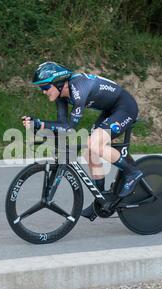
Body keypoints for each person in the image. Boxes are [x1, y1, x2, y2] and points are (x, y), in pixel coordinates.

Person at [22, 61, 143, 221]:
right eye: (41, 88)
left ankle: (132, 172)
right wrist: (38, 125)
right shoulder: (62, 96)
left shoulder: (78, 88)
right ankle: (100, 201)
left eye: (45, 87)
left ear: (58, 83)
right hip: (110, 110)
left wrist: (41, 124)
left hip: (125, 107)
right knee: (89, 152)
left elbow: (70, 127)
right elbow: (62, 125)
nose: (43, 92)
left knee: (94, 143)